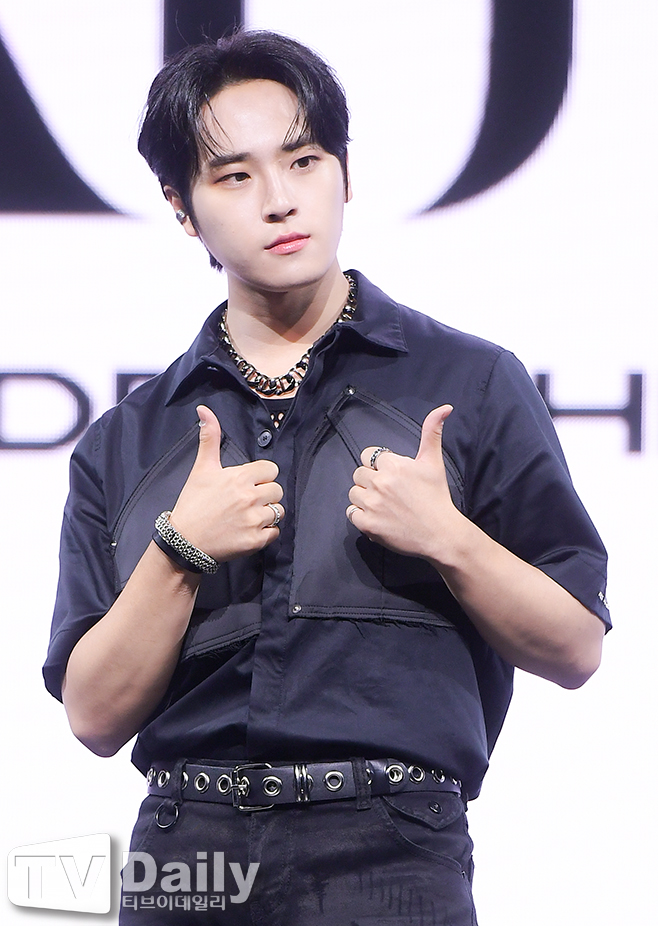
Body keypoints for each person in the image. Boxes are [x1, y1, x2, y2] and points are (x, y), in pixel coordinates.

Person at [44, 30, 610, 925]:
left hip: (390, 842)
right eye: (235, 176)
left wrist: (448, 539)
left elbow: (575, 648)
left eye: (303, 161)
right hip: (186, 846)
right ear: (183, 209)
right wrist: (180, 550)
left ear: (345, 173)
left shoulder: (469, 383)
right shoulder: (128, 438)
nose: (280, 200)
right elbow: (94, 717)